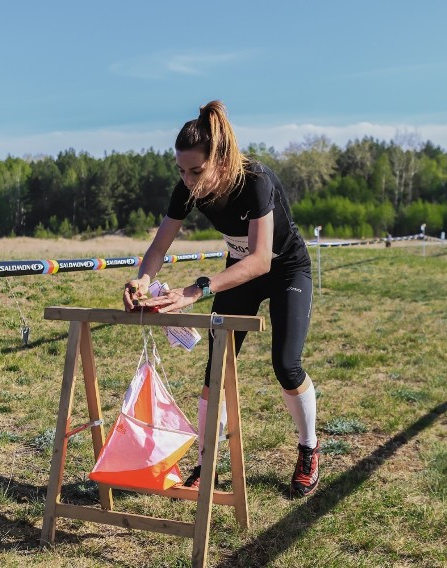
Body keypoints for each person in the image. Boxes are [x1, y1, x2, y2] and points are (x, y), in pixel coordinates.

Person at [123, 100, 319, 497]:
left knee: (286, 364)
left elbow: (262, 259)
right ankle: (207, 462)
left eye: (196, 170)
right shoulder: (187, 189)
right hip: (238, 273)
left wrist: (197, 289)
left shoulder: (256, 180)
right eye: (181, 170)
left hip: (284, 269)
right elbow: (159, 247)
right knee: (216, 371)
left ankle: (309, 449)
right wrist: (142, 280)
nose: (189, 180)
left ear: (221, 160)